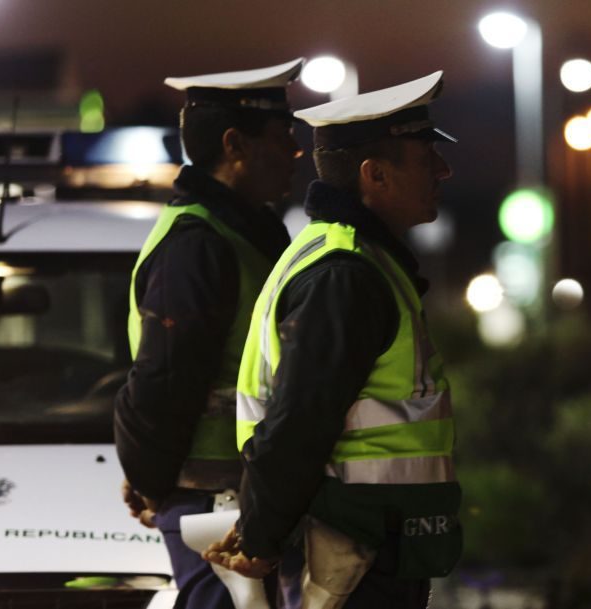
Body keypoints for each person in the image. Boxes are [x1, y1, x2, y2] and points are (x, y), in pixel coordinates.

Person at [203, 72, 463, 609]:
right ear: (376, 175)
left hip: (365, 537)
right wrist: (259, 539)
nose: (444, 170)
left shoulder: (350, 259)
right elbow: (297, 423)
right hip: (353, 546)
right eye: (425, 158)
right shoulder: (346, 275)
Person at [114, 57, 304, 608]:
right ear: (234, 146)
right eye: (281, 135)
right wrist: (152, 477)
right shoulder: (199, 243)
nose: (295, 150)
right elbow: (166, 376)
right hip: (211, 497)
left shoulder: (244, 232)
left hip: (238, 493)